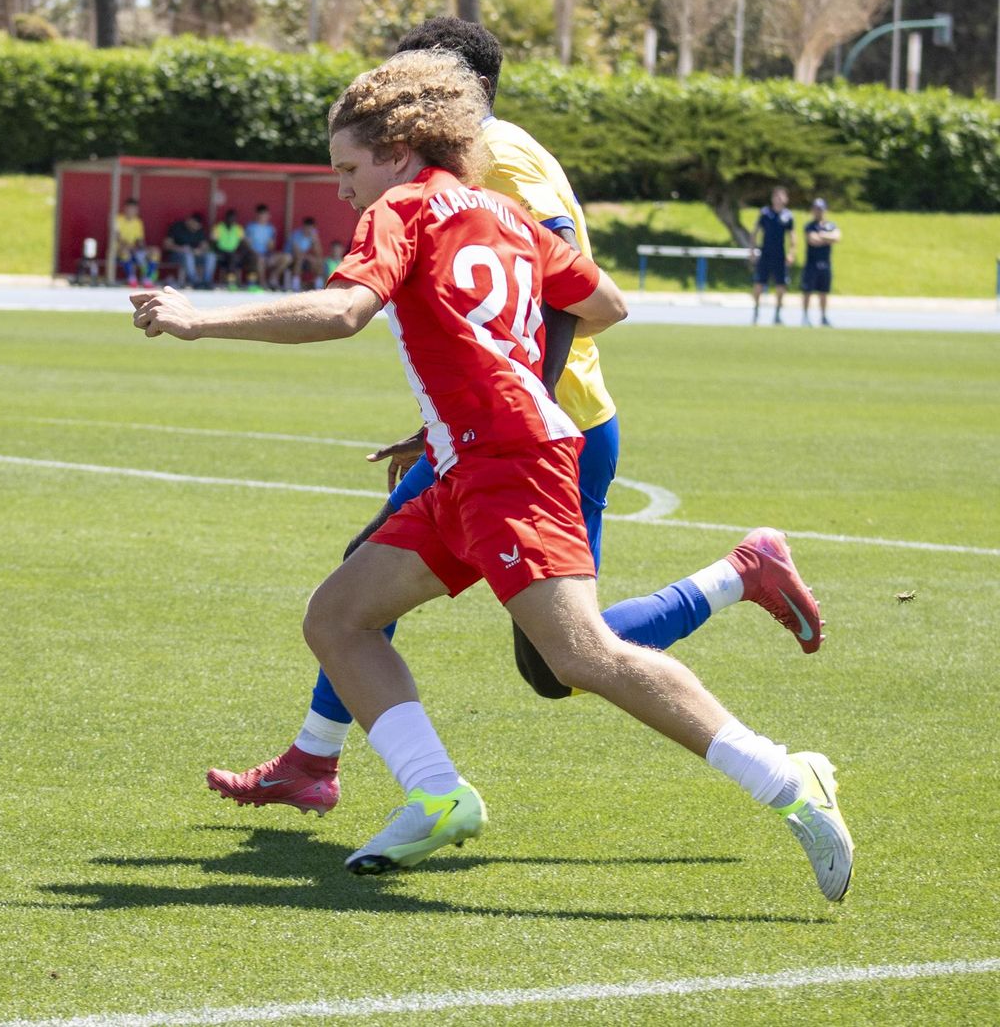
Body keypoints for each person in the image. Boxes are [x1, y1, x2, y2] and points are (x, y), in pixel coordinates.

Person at [132, 50, 852, 901]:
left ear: (399, 151)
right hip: (474, 458)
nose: (343, 188)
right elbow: (607, 305)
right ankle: (438, 797)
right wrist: (493, 364)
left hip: (510, 463)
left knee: (581, 656)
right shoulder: (507, 213)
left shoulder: (402, 207)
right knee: (339, 617)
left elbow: (341, 311)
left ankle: (785, 779)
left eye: (348, 168)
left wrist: (198, 320)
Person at [752, 187, 796, 325]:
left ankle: (777, 314)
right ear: (772, 198)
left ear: (786, 199)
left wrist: (791, 253)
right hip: (765, 254)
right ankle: (756, 311)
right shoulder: (765, 213)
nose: (779, 199)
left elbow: (793, 236)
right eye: (776, 196)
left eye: (781, 196)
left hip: (779, 255)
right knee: (759, 283)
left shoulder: (788, 216)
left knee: (781, 286)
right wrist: (752, 250)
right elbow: (755, 232)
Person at [801, 198, 839, 327]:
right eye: (816, 209)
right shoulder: (809, 225)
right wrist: (827, 237)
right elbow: (812, 240)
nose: (818, 211)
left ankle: (823, 316)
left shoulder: (831, 225)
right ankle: (805, 316)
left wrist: (822, 236)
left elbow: (837, 237)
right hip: (811, 263)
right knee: (808, 291)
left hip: (826, 263)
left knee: (824, 292)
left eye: (820, 209)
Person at [163, 211, 213, 290]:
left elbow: (205, 246)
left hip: (194, 255)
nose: (196, 228)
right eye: (195, 225)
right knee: (188, 255)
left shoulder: (199, 230)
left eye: (198, 226)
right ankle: (195, 281)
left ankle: (206, 281)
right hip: (176, 255)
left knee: (211, 256)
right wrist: (181, 248)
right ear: (190, 220)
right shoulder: (177, 227)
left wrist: (199, 250)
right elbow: (167, 245)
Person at [115, 199, 155, 287]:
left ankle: (148, 279)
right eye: (130, 208)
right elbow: (117, 237)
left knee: (154, 252)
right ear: (125, 208)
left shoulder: (138, 222)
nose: (132, 211)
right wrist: (130, 247)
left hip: (134, 249)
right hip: (118, 249)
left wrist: (142, 247)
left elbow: (139, 239)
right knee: (125, 251)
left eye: (134, 209)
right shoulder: (117, 219)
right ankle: (131, 279)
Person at [284, 216, 324, 291]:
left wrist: (315, 241)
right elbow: (297, 253)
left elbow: (319, 253)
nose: (308, 230)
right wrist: (309, 257)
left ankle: (319, 284)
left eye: (310, 228)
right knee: (300, 259)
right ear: (303, 227)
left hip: (304, 258)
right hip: (291, 259)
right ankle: (295, 284)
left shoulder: (314, 234)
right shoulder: (296, 235)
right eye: (307, 228)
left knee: (319, 260)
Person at [210, 208, 247, 288]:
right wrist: (217, 251)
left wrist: (240, 252)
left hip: (234, 252)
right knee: (231, 257)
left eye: (233, 218)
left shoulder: (238, 228)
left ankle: (245, 282)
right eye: (230, 218)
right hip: (220, 251)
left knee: (236, 257)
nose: (231, 220)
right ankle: (231, 281)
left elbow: (242, 243)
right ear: (226, 218)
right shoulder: (218, 227)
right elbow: (213, 242)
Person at [242, 204, 276, 289]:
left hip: (266, 254)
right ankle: (263, 284)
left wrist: (270, 253)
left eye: (267, 215)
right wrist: (256, 254)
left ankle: (273, 279)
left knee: (286, 258)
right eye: (263, 215)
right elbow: (247, 245)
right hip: (252, 254)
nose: (266, 217)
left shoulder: (270, 229)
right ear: (258, 215)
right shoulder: (250, 227)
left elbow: (271, 247)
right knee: (260, 259)